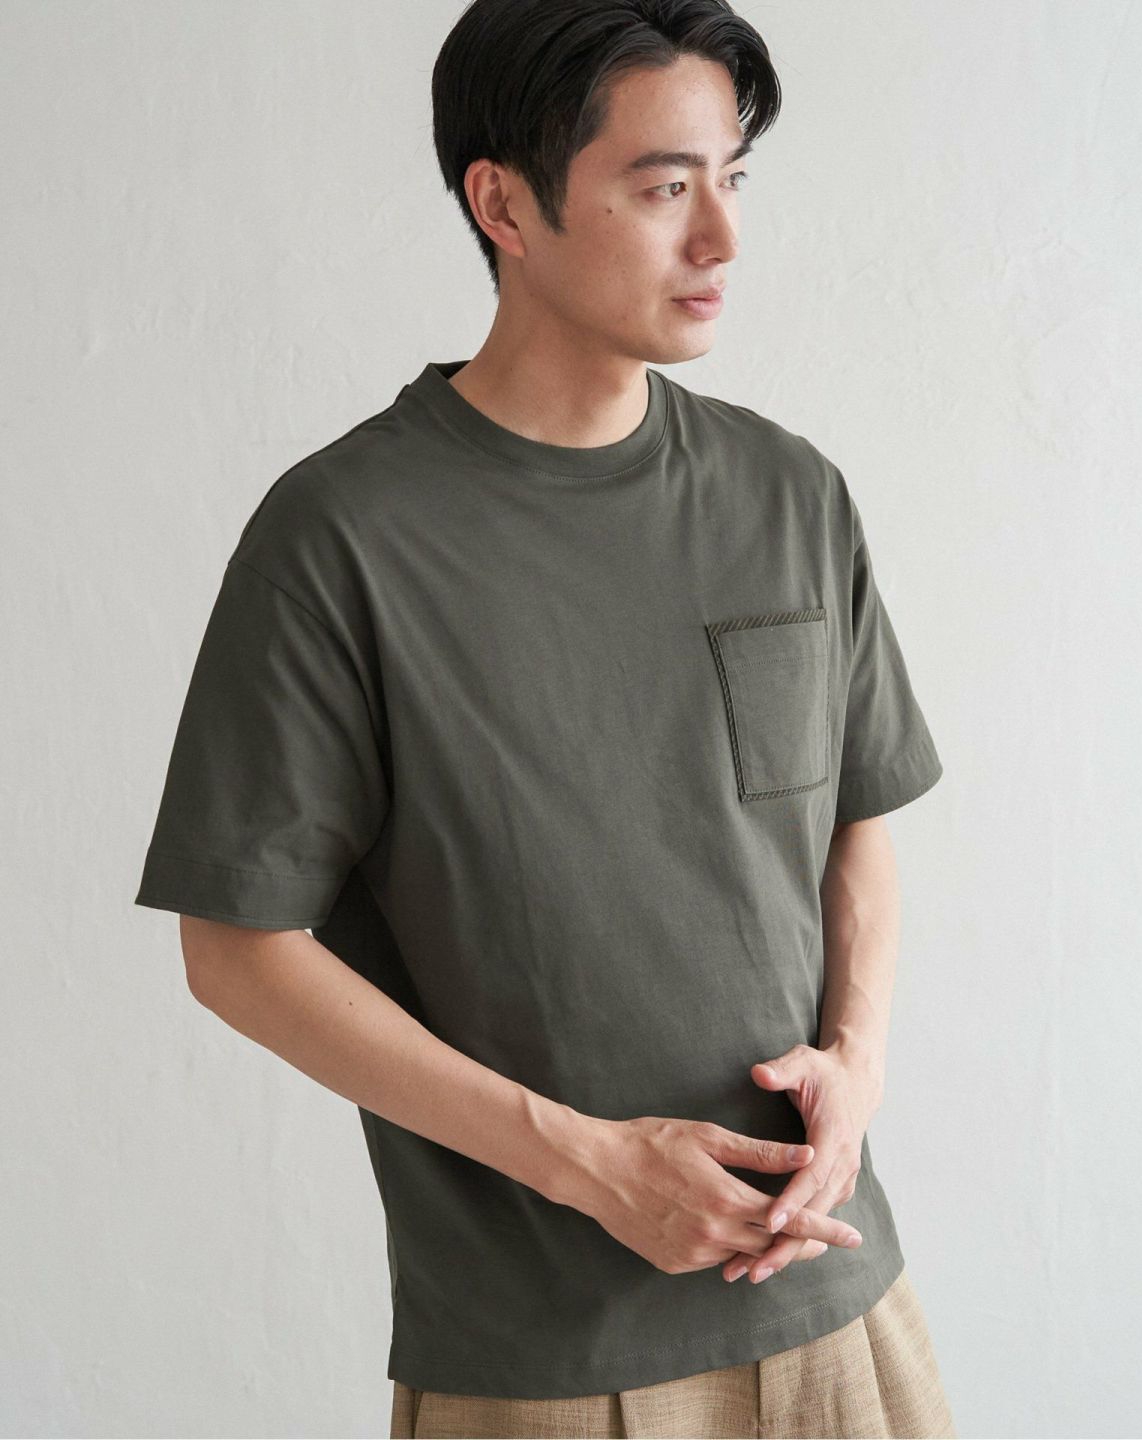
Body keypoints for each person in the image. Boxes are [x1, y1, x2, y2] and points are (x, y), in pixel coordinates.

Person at [133, 1, 956, 1435]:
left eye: (732, 178)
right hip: (546, 1366)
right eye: (664, 187)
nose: (722, 238)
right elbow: (237, 949)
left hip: (839, 1304)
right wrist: (588, 1164)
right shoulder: (344, 539)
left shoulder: (790, 495)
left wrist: (859, 1059)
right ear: (503, 204)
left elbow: (855, 826)